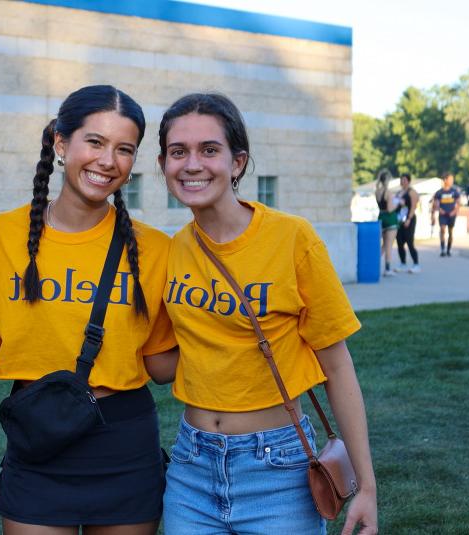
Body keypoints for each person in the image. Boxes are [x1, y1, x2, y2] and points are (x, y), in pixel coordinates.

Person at [154, 93, 378, 535]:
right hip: (191, 465)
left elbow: (337, 365)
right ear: (163, 164)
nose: (192, 164)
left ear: (238, 163)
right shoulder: (172, 250)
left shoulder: (292, 238)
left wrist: (367, 487)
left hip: (279, 468)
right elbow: (164, 364)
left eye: (209, 150)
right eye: (178, 152)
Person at [0, 85, 178, 535]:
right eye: (95, 142)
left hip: (125, 441)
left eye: (124, 149)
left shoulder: (156, 251)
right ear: (61, 144)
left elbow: (161, 364)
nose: (108, 161)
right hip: (38, 437)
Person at [394, 173, 420, 273]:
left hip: (409, 219)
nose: (402, 181)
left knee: (409, 242)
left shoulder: (412, 192)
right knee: (400, 242)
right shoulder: (398, 193)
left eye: (404, 180)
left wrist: (409, 219)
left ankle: (416, 264)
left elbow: (413, 207)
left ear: (408, 181)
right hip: (399, 220)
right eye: (401, 180)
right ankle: (403, 263)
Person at [431, 172, 462, 256]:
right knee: (442, 229)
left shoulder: (454, 191)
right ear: (445, 180)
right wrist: (439, 210)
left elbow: (459, 203)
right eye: (450, 179)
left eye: (452, 179)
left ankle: (448, 249)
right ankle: (442, 249)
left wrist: (454, 211)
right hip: (443, 215)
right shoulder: (439, 192)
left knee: (450, 232)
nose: (452, 181)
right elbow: (436, 204)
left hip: (451, 214)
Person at [375, 169, 398, 275]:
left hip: (381, 217)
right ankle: (387, 269)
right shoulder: (389, 193)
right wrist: (398, 204)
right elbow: (390, 209)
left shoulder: (377, 192)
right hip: (390, 219)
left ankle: (374, 263)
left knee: (384, 245)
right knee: (389, 245)